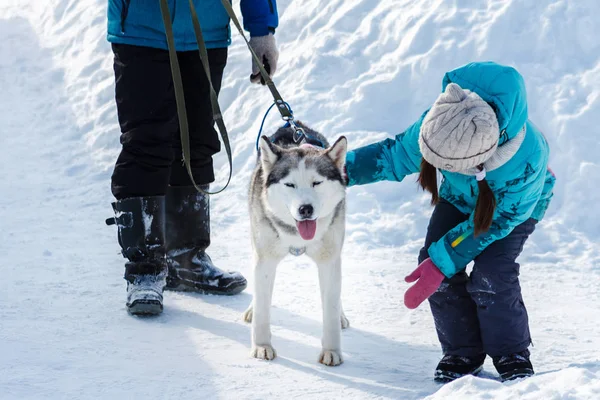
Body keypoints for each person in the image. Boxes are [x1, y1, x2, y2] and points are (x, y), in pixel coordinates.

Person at [344, 62, 556, 382]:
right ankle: (462, 350)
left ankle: (510, 350)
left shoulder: (525, 158)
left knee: (492, 272)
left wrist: (445, 259)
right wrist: (338, 169)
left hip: (512, 211)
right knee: (432, 262)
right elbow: (397, 155)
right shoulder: (446, 117)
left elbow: (499, 221)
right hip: (460, 197)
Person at [106, 0, 280, 316]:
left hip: (207, 29)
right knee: (146, 142)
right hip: (142, 30)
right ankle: (144, 269)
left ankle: (187, 260)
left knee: (197, 139)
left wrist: (262, 29)